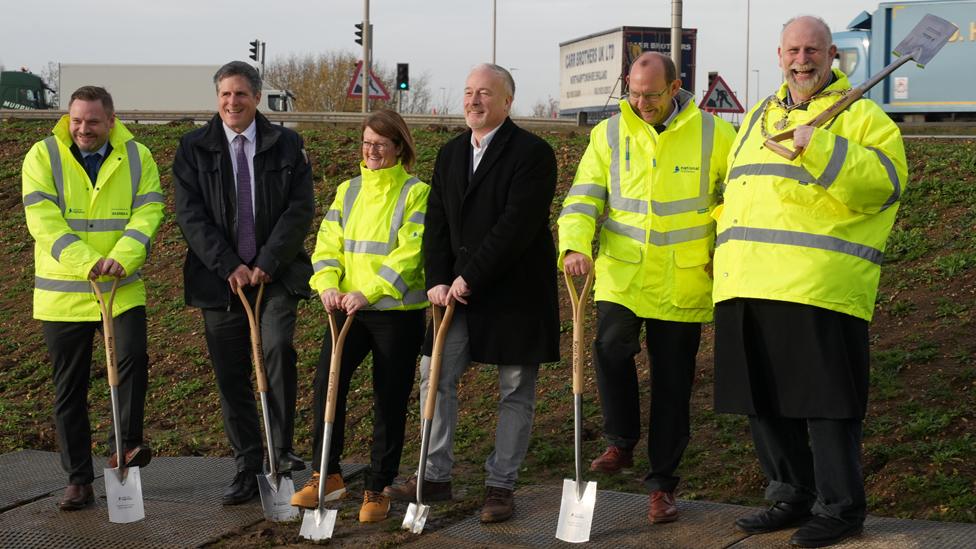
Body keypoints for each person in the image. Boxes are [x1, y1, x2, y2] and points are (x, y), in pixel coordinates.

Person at [712, 16, 907, 548]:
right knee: (764, 401)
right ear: (779, 56)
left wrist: (818, 147)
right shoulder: (755, 117)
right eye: (794, 50)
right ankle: (790, 495)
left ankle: (841, 508)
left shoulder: (863, 116)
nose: (803, 59)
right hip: (746, 281)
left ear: (831, 56)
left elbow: (885, 185)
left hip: (815, 285)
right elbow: (743, 191)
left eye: (813, 50)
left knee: (825, 405)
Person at [557, 52, 735, 524]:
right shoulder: (610, 133)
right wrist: (574, 245)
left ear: (675, 87)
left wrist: (723, 243)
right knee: (610, 348)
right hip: (624, 273)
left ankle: (662, 486)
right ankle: (621, 440)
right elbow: (584, 195)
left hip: (684, 276)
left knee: (672, 385)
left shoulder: (716, 134)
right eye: (633, 93)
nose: (640, 103)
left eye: (651, 95)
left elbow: (737, 198)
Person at [383, 63, 559, 523]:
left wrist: (470, 277)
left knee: (515, 390)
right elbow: (436, 223)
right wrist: (438, 278)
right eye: (467, 92)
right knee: (434, 374)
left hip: (514, 293)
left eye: (484, 92)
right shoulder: (450, 153)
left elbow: (514, 228)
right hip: (455, 292)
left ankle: (501, 485)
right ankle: (434, 474)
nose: (473, 100)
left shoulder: (533, 154)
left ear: (507, 101)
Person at [173, 61, 315, 505]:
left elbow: (299, 209)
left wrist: (268, 262)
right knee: (230, 371)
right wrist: (229, 265)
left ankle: (280, 451)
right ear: (217, 99)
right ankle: (247, 463)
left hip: (274, 276)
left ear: (256, 97)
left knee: (275, 348)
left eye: (240, 94)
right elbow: (189, 214)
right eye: (225, 95)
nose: (232, 102)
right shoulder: (194, 147)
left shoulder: (287, 144)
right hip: (220, 281)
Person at [22, 85, 164, 510]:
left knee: (132, 360)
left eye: (93, 121)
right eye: (77, 120)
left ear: (112, 120)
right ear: (68, 117)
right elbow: (43, 220)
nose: (83, 128)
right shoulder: (42, 155)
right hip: (64, 292)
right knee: (70, 387)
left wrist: (122, 258)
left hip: (120, 288)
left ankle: (124, 447)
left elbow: (149, 211)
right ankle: (78, 479)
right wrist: (87, 261)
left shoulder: (138, 157)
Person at [290, 110, 429, 523]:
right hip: (345, 310)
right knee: (326, 388)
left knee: (389, 399)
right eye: (366, 143)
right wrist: (328, 285)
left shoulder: (416, 193)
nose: (371, 151)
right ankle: (327, 474)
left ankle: (378, 486)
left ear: (399, 148)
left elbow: (410, 253)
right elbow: (326, 244)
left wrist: (368, 292)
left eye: (380, 145)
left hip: (395, 314)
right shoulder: (348, 190)